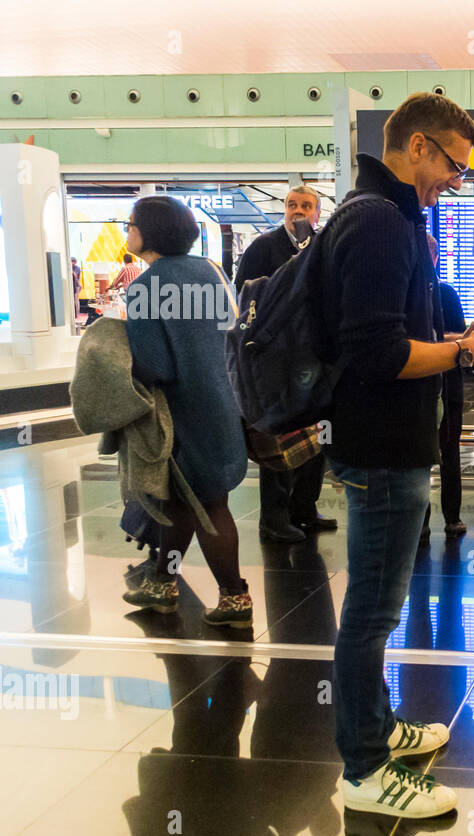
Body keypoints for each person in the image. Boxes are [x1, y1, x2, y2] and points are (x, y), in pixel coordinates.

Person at [322, 92, 474, 818]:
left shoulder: (387, 215)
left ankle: (375, 729)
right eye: (452, 167)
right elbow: (373, 352)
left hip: (389, 445)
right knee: (370, 615)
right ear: (415, 148)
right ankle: (363, 772)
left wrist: (459, 341)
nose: (454, 182)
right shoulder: (378, 223)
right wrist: (464, 348)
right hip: (379, 450)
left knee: (378, 609)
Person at [120, 196, 252, 627]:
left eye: (131, 224)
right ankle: (162, 581)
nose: (127, 231)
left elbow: (156, 366)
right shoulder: (211, 272)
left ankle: (235, 597)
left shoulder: (145, 287)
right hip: (224, 403)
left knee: (207, 506)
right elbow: (233, 336)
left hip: (182, 414)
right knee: (186, 503)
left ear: (149, 231)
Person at [234, 184, 336, 543]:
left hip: (313, 357)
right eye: (292, 204)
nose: (297, 210)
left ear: (317, 214)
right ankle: (274, 518)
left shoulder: (322, 247)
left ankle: (305, 508)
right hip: (275, 358)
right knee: (277, 438)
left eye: (305, 205)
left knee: (316, 435)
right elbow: (243, 297)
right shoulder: (263, 248)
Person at [421, 233, 468, 541]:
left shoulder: (445, 294)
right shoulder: (414, 294)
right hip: (424, 390)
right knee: (421, 457)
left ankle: (451, 517)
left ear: (435, 258)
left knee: (449, 452)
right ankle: (421, 522)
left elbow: (461, 337)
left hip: (447, 386)